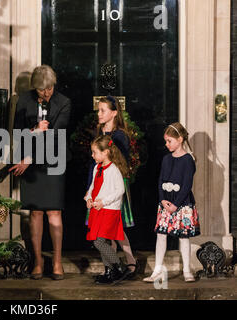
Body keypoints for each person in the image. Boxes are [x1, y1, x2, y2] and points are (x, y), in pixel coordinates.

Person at [9, 65, 71, 280]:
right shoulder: (24, 101)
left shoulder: (63, 102)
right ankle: (37, 261)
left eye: (49, 88)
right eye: (41, 90)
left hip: (53, 162)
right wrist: (34, 131)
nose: (46, 93)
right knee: (35, 212)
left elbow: (56, 136)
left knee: (54, 211)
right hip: (30, 164)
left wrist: (30, 158)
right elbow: (17, 133)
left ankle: (56, 260)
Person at [85, 96, 138, 279]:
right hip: (99, 187)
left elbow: (118, 164)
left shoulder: (119, 136)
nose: (99, 114)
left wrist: (106, 193)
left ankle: (129, 263)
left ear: (114, 113)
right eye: (98, 110)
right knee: (105, 232)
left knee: (116, 226)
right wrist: (90, 191)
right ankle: (111, 268)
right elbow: (95, 165)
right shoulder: (99, 133)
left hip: (113, 188)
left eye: (103, 110)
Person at [143, 122, 200, 283]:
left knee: (183, 237)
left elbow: (187, 185)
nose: (166, 144)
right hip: (165, 204)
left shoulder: (188, 160)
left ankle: (187, 270)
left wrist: (175, 204)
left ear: (180, 139)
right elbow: (160, 180)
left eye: (170, 141)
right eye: (166, 141)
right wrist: (162, 199)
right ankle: (157, 270)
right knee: (161, 235)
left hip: (182, 204)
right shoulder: (166, 159)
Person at [84, 135, 131, 284]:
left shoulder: (113, 170)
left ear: (105, 153)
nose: (92, 155)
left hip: (109, 210)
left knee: (99, 242)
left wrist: (104, 202)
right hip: (98, 209)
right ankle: (109, 271)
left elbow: (120, 190)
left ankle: (119, 266)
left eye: (95, 152)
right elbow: (93, 186)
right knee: (101, 240)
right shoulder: (97, 168)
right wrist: (89, 198)